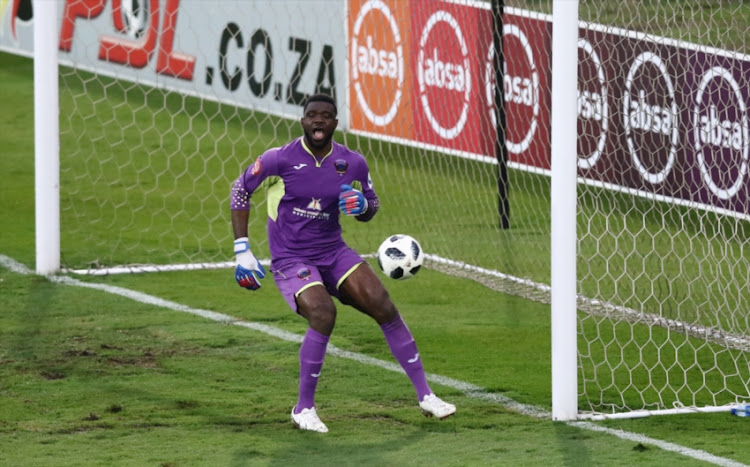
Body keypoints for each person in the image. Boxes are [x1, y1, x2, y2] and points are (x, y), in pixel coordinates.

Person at [229, 93, 456, 433]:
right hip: (292, 258)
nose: (318, 120)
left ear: (335, 123)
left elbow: (371, 206)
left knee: (382, 304)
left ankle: (426, 396)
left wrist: (362, 205)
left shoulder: (352, 163)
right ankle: (303, 409)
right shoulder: (279, 159)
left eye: (325, 116)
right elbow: (239, 190)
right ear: (303, 121)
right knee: (322, 313)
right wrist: (242, 249)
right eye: (311, 115)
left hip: (334, 252)